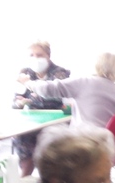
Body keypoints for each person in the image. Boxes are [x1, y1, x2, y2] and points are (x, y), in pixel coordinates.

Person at [19, 52, 115, 129]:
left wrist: (27, 83)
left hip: (83, 143)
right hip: (108, 147)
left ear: (95, 65)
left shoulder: (84, 82)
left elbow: (47, 89)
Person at [12, 40, 72, 176]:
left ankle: (52, 178)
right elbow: (15, 101)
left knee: (51, 142)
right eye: (31, 55)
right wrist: (20, 103)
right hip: (30, 122)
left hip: (55, 121)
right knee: (22, 136)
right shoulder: (25, 73)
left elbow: (54, 98)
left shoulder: (60, 73)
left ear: (48, 56)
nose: (35, 59)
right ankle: (25, 175)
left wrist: (31, 98)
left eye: (39, 55)